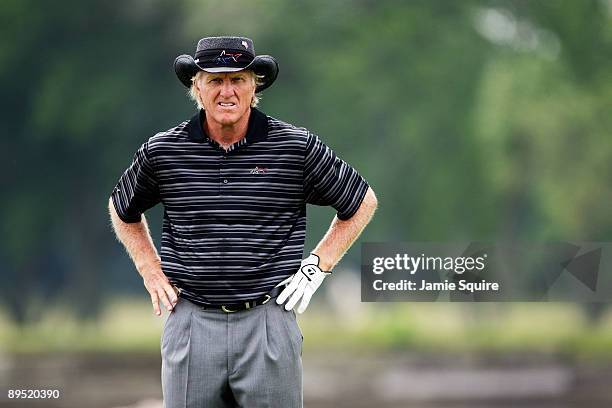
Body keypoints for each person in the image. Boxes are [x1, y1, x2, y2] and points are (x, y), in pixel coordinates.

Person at [108, 36, 377, 408]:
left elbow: (361, 201)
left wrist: (318, 266)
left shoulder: (294, 147)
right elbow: (122, 209)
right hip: (190, 322)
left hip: (267, 321)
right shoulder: (164, 151)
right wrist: (149, 268)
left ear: (255, 87)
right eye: (215, 81)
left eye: (238, 79)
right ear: (196, 89)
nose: (227, 91)